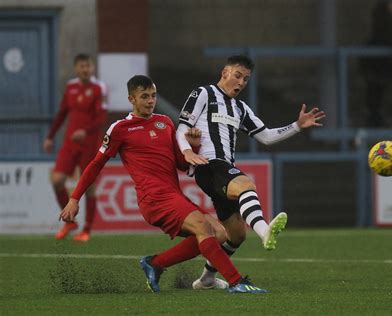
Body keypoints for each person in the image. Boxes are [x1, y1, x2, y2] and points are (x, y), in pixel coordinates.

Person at [59, 75, 267, 294]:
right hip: (153, 198)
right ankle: (236, 282)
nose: (150, 101)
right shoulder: (120, 128)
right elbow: (95, 165)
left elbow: (179, 162)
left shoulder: (165, 123)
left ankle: (156, 263)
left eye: (153, 96)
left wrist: (193, 147)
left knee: (220, 233)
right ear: (132, 99)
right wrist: (74, 199)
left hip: (173, 195)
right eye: (144, 96)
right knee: (203, 227)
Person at [176, 55, 326, 289]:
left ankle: (206, 279)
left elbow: (266, 136)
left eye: (245, 79)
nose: (241, 82)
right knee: (246, 185)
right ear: (225, 72)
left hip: (222, 170)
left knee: (236, 235)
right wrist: (186, 151)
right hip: (209, 164)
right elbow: (183, 126)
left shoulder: (240, 108)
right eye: (237, 75)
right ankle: (265, 231)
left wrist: (296, 126)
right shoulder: (204, 93)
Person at [43, 53, 108, 242]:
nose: (85, 69)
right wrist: (49, 136)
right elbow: (62, 112)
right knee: (57, 180)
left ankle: (87, 230)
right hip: (70, 143)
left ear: (92, 68)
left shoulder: (99, 88)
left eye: (88, 66)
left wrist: (85, 131)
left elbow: (101, 118)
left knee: (90, 187)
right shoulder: (71, 87)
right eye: (81, 66)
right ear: (76, 68)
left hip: (90, 143)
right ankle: (71, 222)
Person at [359, 0, 392, 127]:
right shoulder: (382, 28)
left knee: (380, 95)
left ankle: (377, 119)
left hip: (385, 67)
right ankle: (374, 121)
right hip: (376, 66)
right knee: (374, 94)